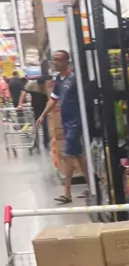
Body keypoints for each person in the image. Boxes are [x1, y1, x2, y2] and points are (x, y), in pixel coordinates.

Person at [36, 50, 87, 204]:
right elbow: (53, 99)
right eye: (53, 60)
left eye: (58, 60)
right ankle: (93, 186)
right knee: (78, 155)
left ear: (66, 61)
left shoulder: (74, 78)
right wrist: (43, 115)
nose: (55, 63)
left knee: (67, 155)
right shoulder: (58, 79)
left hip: (76, 121)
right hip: (66, 121)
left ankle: (67, 193)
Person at [18, 75, 51, 150]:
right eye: (40, 85)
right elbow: (23, 93)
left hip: (44, 110)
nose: (41, 87)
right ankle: (35, 143)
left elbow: (51, 98)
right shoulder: (32, 85)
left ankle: (46, 143)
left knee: (45, 126)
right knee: (35, 126)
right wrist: (20, 104)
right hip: (34, 109)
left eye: (43, 85)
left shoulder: (47, 86)